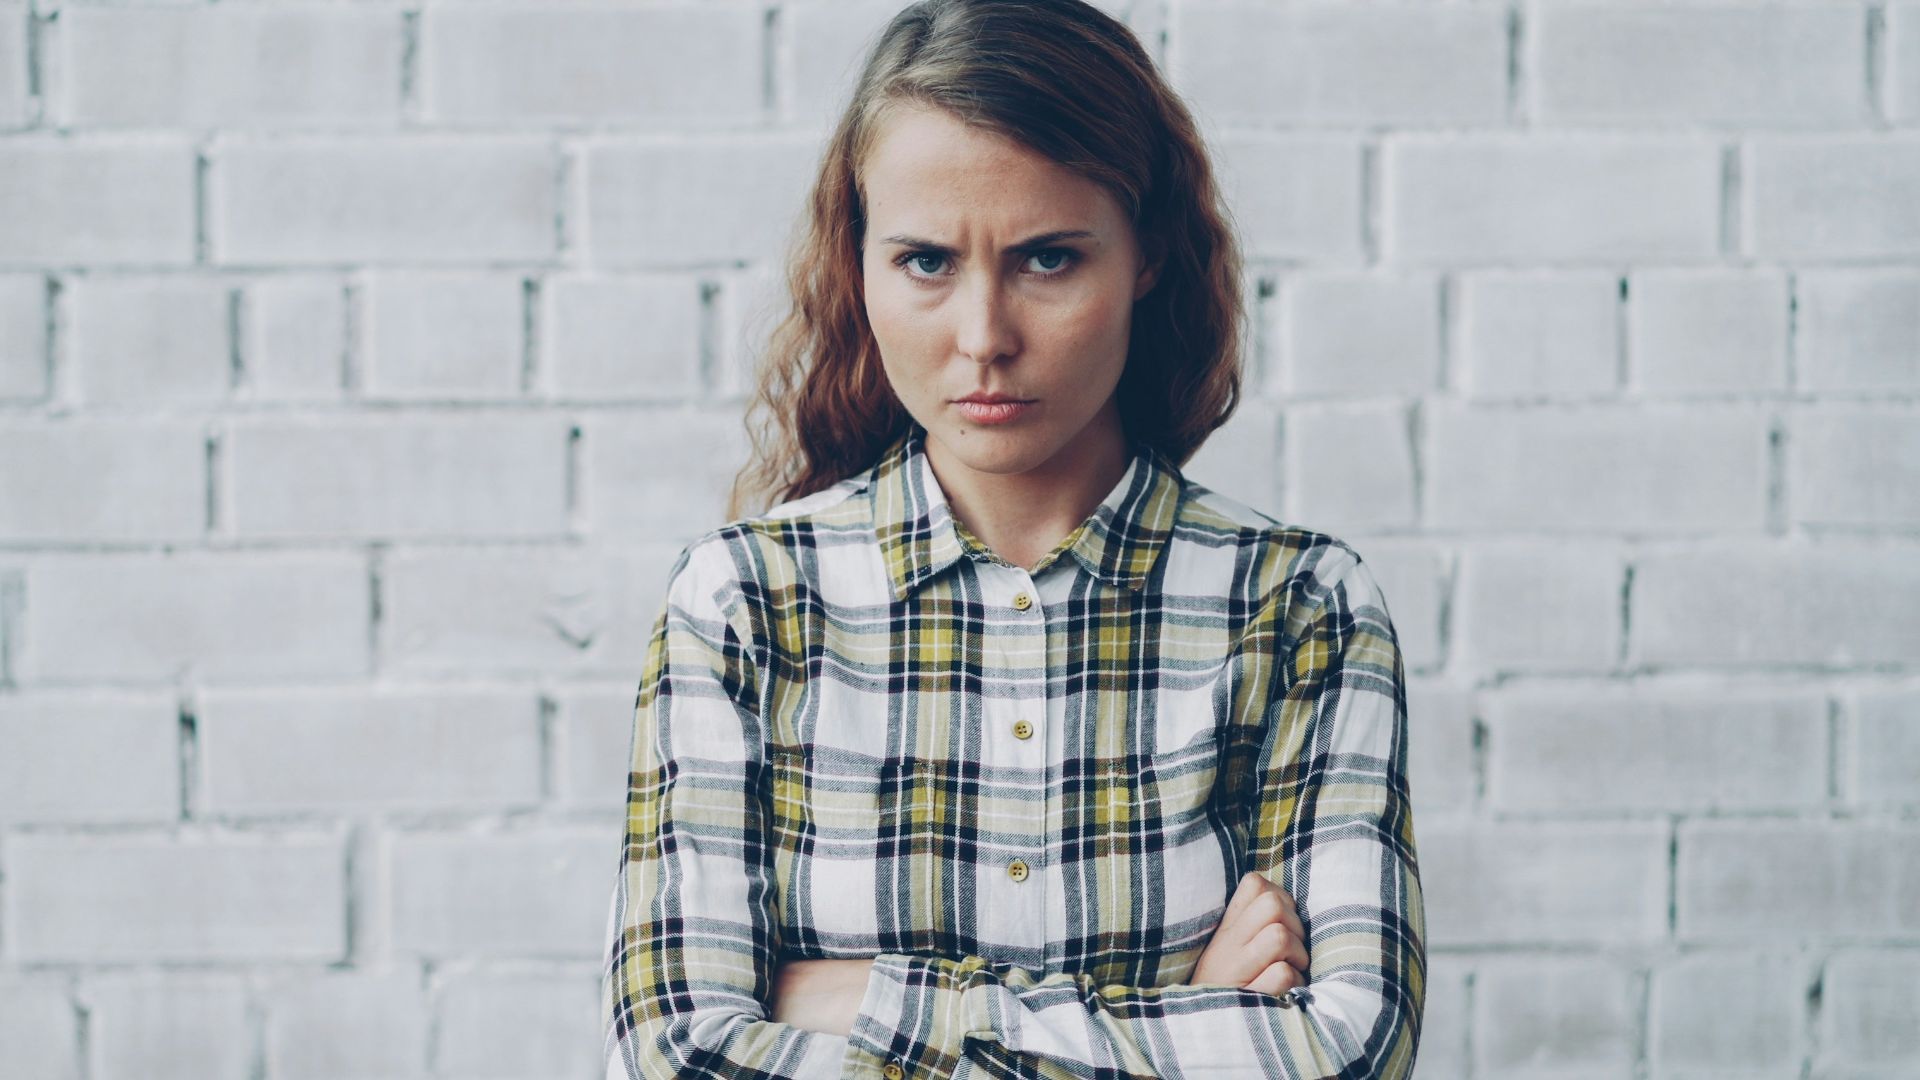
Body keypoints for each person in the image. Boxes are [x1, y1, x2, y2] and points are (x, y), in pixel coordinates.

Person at [600, 1, 1425, 1076]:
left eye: (1046, 259)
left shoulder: (1299, 605)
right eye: (926, 262)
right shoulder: (744, 602)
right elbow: (676, 1056)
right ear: (859, 264)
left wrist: (862, 1006)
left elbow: (1345, 1052)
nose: (984, 337)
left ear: (1148, 257)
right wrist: (1188, 1010)